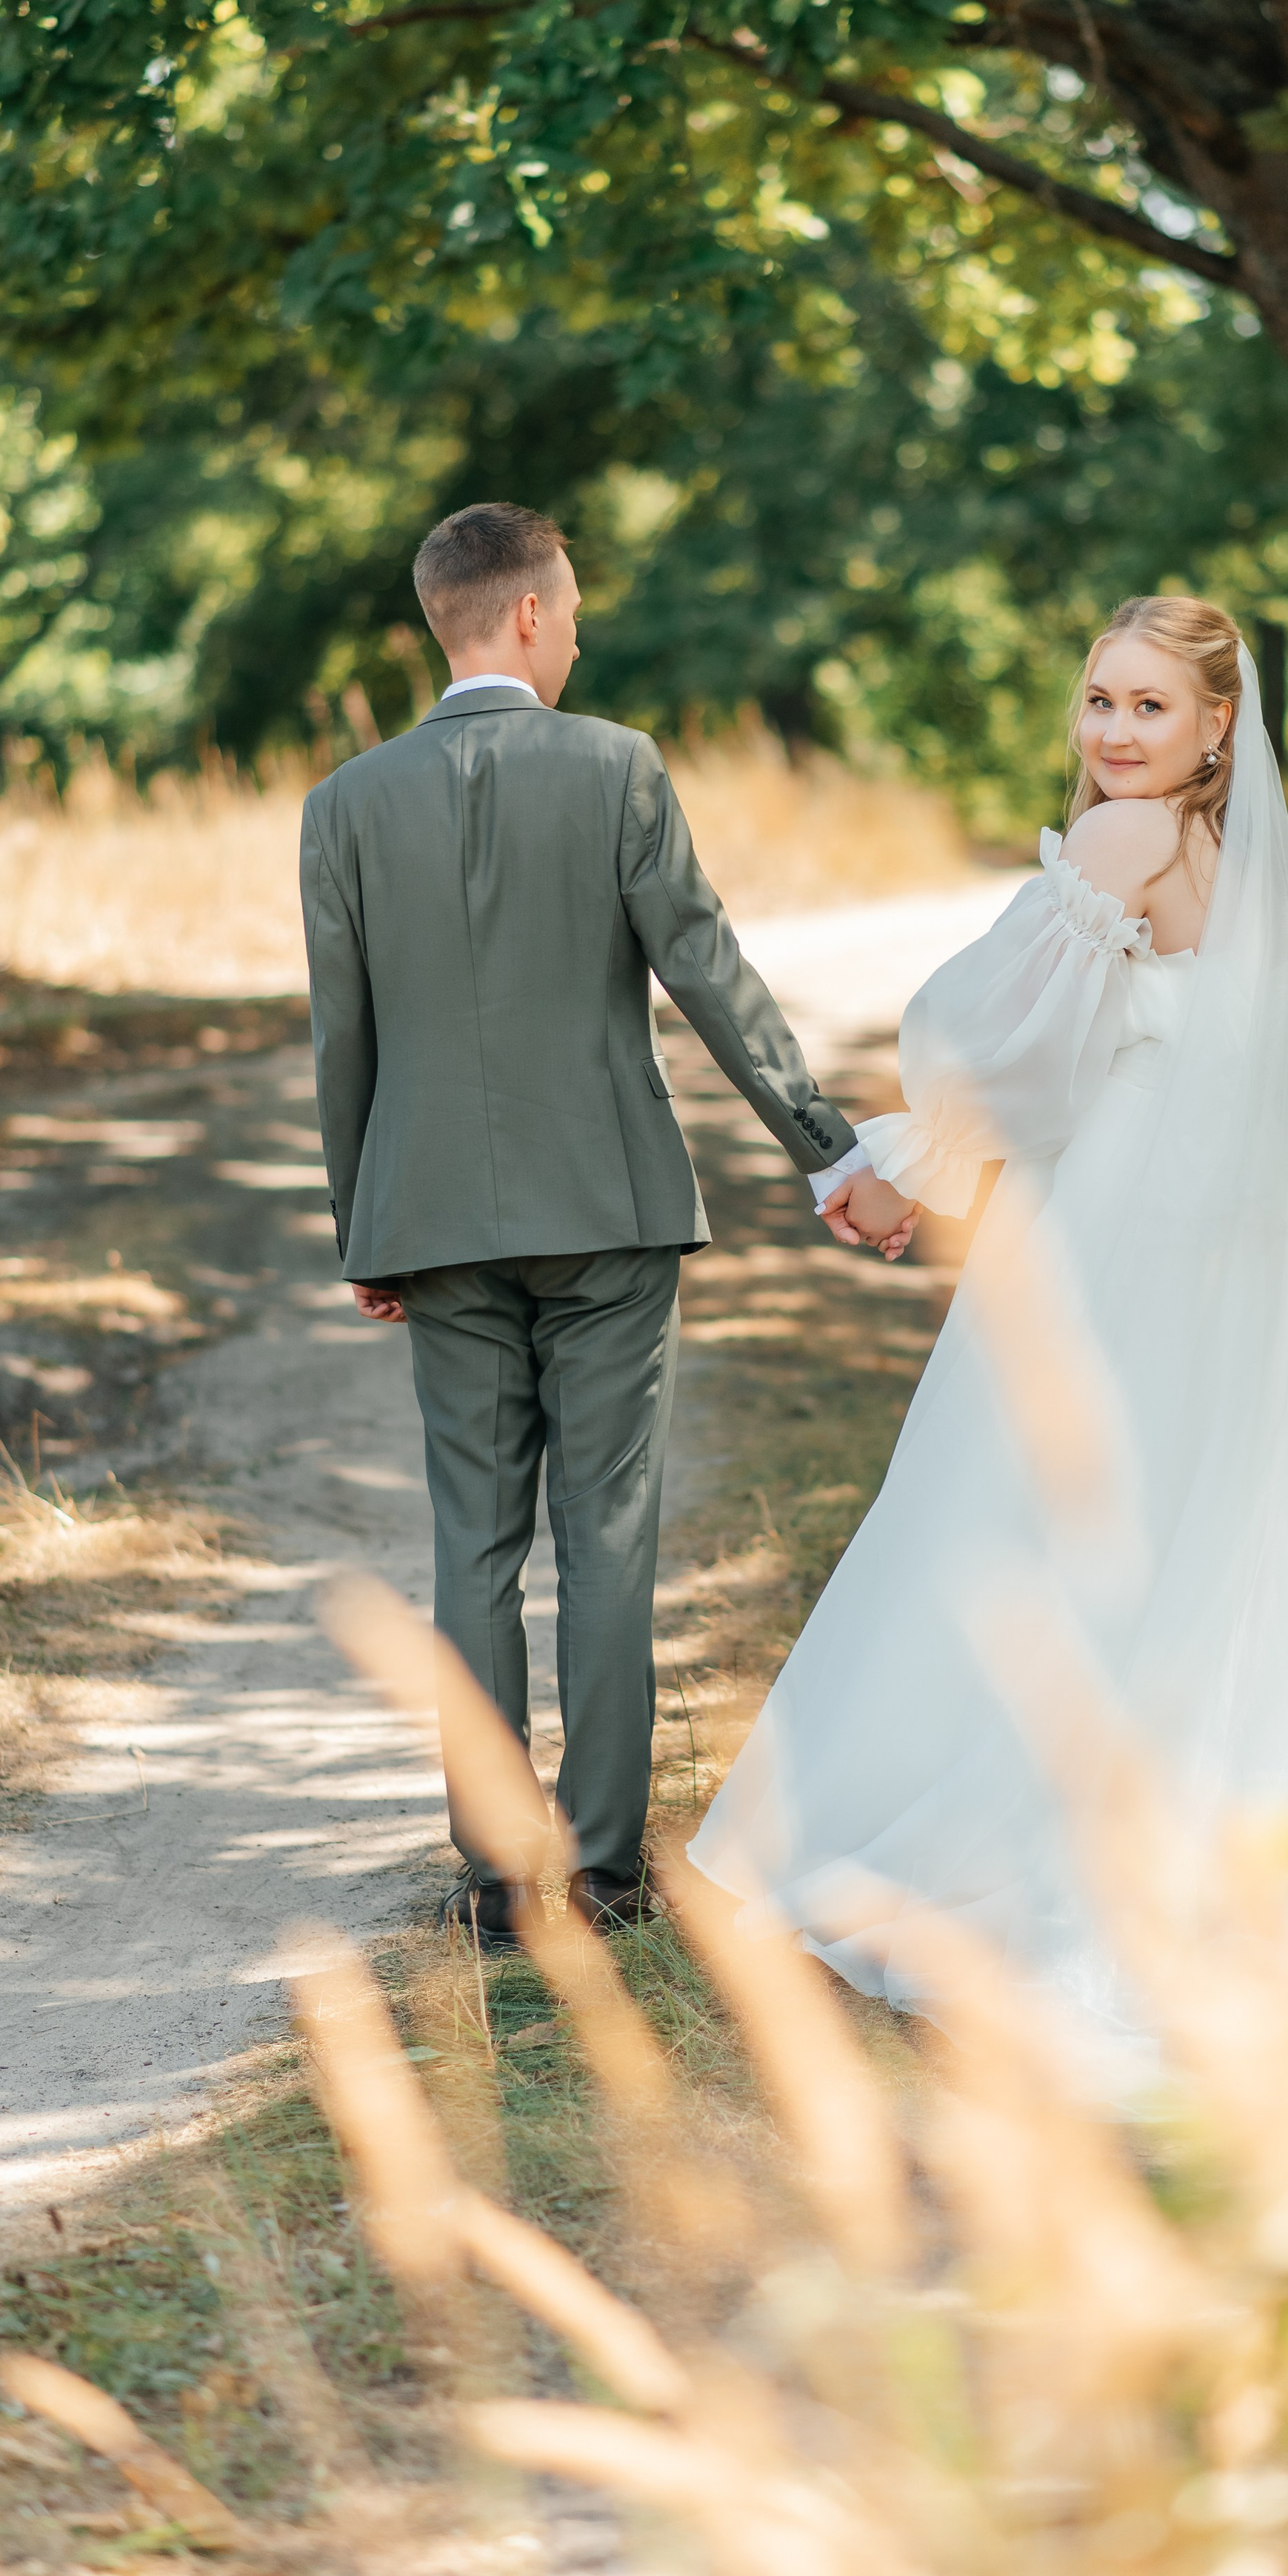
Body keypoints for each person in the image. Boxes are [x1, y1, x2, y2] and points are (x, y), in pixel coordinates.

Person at [692, 596, 1288, 2081]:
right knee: (1229, 1536)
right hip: (1250, 1246)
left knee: (1044, 1518)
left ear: (1215, 731)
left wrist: (898, 1158)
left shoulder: (1125, 845)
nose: (1115, 732)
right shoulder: (1242, 860)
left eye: (1147, 708)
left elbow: (991, 1045)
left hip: (1132, 1230)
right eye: (1099, 702)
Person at [299, 501, 877, 1949]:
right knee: (606, 1534)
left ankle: (499, 1882)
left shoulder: (344, 803)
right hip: (608, 1212)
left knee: (472, 1547)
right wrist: (825, 1147)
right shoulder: (616, 768)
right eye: (573, 610)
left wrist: (361, 1225)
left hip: (428, 1218)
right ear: (533, 617)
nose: (578, 631)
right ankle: (605, 1873)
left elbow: (342, 1038)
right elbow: (706, 969)